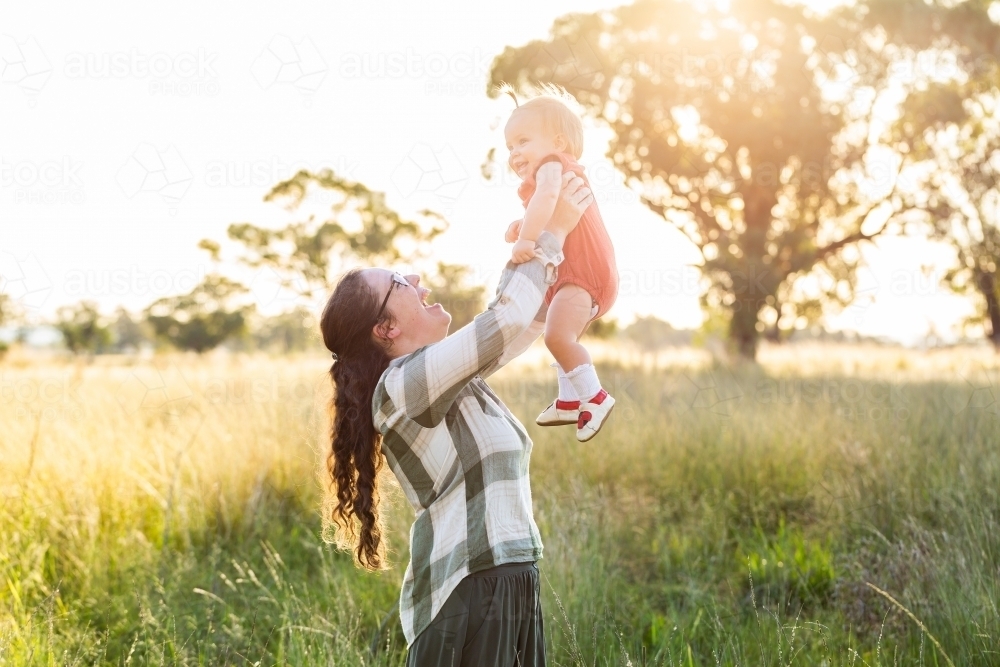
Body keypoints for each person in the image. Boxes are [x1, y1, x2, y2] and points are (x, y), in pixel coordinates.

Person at [319, 173, 594, 667]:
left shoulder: (452, 378)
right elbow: (505, 320)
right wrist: (547, 237)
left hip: (511, 580)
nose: (417, 279)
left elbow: (525, 322)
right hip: (467, 591)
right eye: (400, 283)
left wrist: (555, 229)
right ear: (386, 328)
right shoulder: (400, 388)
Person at [503, 91, 619, 442]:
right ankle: (569, 401)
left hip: (582, 273)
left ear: (557, 142)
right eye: (509, 146)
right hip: (575, 274)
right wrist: (522, 227)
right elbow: (545, 208)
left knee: (557, 336)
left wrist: (526, 239)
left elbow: (549, 197)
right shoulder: (545, 175)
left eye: (523, 141)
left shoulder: (552, 164)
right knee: (558, 334)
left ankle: (595, 397)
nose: (514, 153)